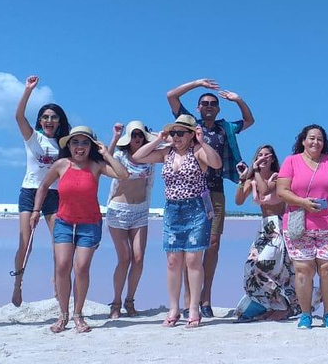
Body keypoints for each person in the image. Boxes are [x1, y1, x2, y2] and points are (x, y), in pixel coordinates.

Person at [166, 78, 254, 317]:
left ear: (217, 109)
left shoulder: (225, 128)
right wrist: (197, 83)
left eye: (212, 104)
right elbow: (171, 96)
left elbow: (249, 121)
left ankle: (205, 299)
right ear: (198, 107)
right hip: (188, 194)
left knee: (212, 245)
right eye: (204, 103)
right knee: (188, 249)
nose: (208, 106)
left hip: (214, 192)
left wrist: (238, 100)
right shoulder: (188, 124)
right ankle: (188, 302)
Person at [30, 126, 128, 333]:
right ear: (69, 146)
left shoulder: (96, 166)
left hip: (89, 223)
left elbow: (123, 174)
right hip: (64, 222)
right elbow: (43, 186)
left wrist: (107, 154)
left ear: (90, 146)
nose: (79, 147)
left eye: (84, 142)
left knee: (82, 268)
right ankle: (63, 315)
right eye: (75, 142)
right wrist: (36, 211)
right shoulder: (61, 165)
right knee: (62, 267)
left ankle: (78, 314)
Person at [133, 114, 222, 329]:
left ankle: (193, 308)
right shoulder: (166, 153)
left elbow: (216, 163)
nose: (176, 137)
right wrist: (159, 139)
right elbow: (138, 157)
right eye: (174, 133)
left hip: (196, 209)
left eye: (181, 133)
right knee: (173, 260)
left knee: (193, 260)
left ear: (191, 134)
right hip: (172, 210)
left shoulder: (198, 151)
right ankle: (173, 308)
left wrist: (202, 142)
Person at [276, 124, 328, 330]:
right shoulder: (291, 161)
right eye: (311, 138)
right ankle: (305, 314)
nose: (315, 142)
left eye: (319, 139)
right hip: (299, 224)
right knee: (303, 270)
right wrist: (303, 203)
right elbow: (281, 190)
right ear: (303, 141)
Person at [11, 75, 71, 307]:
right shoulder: (32, 138)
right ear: (40, 121)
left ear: (59, 121)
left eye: (53, 117)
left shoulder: (65, 143)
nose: (49, 120)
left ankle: (57, 283)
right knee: (26, 243)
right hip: (29, 192)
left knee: (59, 243)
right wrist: (28, 91)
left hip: (55, 196)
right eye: (45, 117)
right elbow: (18, 116)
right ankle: (18, 284)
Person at [234, 145, 300, 322]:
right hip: (264, 228)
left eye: (266, 155)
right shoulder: (253, 179)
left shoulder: (277, 177)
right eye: (260, 155)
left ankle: (283, 306)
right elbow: (239, 201)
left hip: (278, 226)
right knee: (250, 267)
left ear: (272, 159)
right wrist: (242, 180)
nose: (263, 158)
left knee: (264, 265)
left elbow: (264, 190)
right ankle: (274, 304)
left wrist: (255, 170)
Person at [104, 121, 158, 319]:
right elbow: (105, 161)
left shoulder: (151, 157)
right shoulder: (120, 156)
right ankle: (116, 303)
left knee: (138, 259)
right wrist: (115, 137)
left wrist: (161, 134)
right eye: (134, 135)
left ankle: (130, 300)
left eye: (141, 135)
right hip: (118, 211)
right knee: (124, 258)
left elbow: (168, 142)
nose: (137, 138)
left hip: (141, 211)